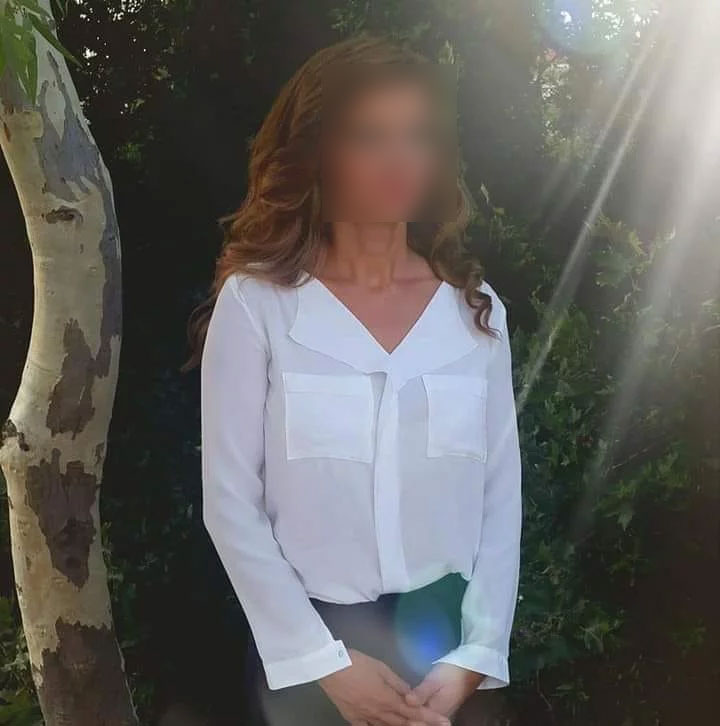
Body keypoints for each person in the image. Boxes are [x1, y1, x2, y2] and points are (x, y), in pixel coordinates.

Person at [184, 34, 522, 726]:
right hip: (311, 667)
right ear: (318, 152)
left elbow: (500, 496)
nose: (399, 160)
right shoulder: (259, 305)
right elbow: (230, 503)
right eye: (369, 136)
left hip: (449, 663)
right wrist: (323, 662)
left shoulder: (475, 312)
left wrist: (477, 653)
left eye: (417, 135)